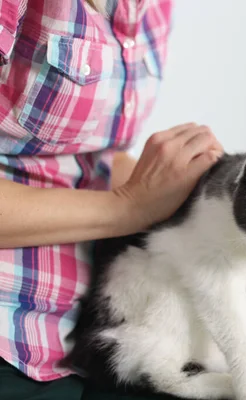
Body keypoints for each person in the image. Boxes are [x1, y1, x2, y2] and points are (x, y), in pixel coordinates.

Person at [0, 1, 223, 399]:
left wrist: (191, 195)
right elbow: (129, 201)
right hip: (11, 340)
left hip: (87, 337)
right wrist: (130, 206)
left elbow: (92, 152)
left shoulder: (153, 8)